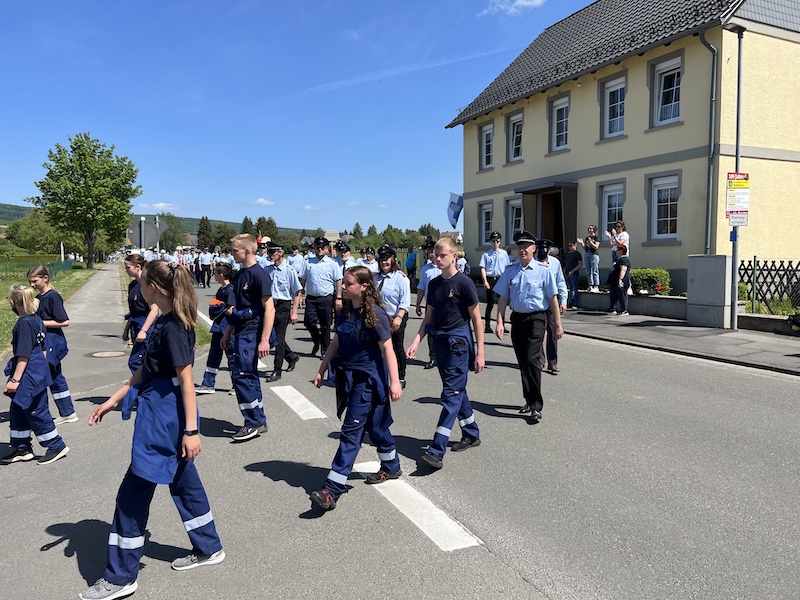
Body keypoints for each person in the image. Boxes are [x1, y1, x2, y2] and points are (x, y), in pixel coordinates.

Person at [81, 260, 224, 600]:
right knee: (183, 481)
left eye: (142, 284)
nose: (139, 290)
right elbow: (145, 372)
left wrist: (191, 431)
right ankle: (209, 547)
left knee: (132, 494)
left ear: (154, 288)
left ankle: (120, 578)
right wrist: (113, 400)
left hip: (164, 418)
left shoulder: (173, 328)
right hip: (164, 412)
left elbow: (186, 382)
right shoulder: (165, 321)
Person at [310, 266, 403, 511]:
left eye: (348, 283)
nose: (343, 286)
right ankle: (391, 465)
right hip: (348, 377)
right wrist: (322, 368)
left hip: (368, 380)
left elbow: (388, 349)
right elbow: (336, 342)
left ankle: (332, 490)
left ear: (363, 287)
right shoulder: (345, 311)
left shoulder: (375, 314)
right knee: (375, 426)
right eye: (343, 282)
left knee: (351, 432)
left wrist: (394, 382)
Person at [407, 237, 485, 471]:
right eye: (436, 254)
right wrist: (417, 340)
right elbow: (428, 318)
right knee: (456, 389)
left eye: (443, 255)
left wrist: (480, 353)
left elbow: (477, 320)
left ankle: (436, 450)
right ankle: (471, 433)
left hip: (458, 342)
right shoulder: (434, 284)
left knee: (450, 394)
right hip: (439, 340)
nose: (438, 258)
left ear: (454, 256)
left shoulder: (464, 283)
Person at [494, 230, 563, 422]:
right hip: (517, 319)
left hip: (537, 319)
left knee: (532, 360)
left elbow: (553, 299)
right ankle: (528, 399)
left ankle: (536, 405)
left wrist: (557, 324)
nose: (522, 250)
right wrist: (499, 321)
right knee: (523, 361)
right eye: (519, 247)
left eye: (526, 246)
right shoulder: (510, 271)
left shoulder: (543, 270)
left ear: (534, 248)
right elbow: (503, 298)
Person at [1, 284, 68, 465]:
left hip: (29, 374)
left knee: (35, 410)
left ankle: (55, 445)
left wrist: (15, 380)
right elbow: (43, 348)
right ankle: (21, 446)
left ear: (13, 303)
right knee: (18, 407)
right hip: (38, 370)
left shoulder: (23, 324)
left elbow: (24, 355)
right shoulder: (36, 320)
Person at [221, 234, 275, 442]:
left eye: (235, 250)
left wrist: (265, 339)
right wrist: (227, 332)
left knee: (242, 376)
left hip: (252, 333)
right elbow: (236, 308)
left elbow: (269, 308)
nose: (232, 254)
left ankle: (252, 422)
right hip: (239, 331)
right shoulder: (240, 274)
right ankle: (258, 419)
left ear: (247, 251)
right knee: (246, 376)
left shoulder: (259, 274)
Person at [27, 265, 77, 425]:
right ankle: (67, 412)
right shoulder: (39, 298)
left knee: (51, 377)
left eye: (35, 281)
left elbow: (64, 321)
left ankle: (65, 412)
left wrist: (40, 323)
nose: (32, 285)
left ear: (45, 278)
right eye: (30, 282)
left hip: (53, 342)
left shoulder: (52, 297)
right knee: (54, 377)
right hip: (45, 342)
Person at [298, 236, 342, 358]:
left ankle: (325, 349)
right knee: (308, 322)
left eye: (322, 247)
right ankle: (317, 339)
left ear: (326, 249)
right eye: (318, 247)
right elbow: (303, 279)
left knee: (325, 324)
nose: (320, 249)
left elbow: (338, 280)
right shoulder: (308, 262)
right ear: (314, 248)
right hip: (311, 298)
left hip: (326, 298)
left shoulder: (332, 263)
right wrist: (300, 294)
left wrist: (338, 298)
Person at [195, 263, 236, 394]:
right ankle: (208, 384)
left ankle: (237, 385)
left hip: (226, 327)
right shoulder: (221, 289)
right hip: (218, 327)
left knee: (232, 356)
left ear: (222, 275)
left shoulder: (230, 290)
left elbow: (231, 310)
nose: (214, 276)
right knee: (214, 355)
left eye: (216, 273)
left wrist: (219, 306)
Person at [264, 242, 302, 382]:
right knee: (270, 336)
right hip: (269, 306)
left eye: (272, 252)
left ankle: (277, 370)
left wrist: (294, 312)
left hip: (283, 306)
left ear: (280, 253)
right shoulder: (267, 270)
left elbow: (297, 292)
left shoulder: (289, 270)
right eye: (268, 252)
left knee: (279, 339)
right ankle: (291, 356)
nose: (270, 255)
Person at [374, 245, 411, 388]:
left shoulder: (401, 278)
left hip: (396, 316)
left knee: (396, 347)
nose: (384, 262)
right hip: (380, 317)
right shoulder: (376, 278)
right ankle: (383, 373)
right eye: (381, 260)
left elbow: (405, 301)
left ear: (393, 260)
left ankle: (400, 377)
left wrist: (398, 318)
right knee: (380, 347)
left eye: (387, 259)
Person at [122, 254, 159, 375]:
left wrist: (144, 330)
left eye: (128, 267)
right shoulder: (133, 285)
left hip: (146, 325)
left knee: (136, 361)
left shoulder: (147, 284)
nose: (126, 270)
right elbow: (133, 312)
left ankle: (144, 384)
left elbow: (154, 310)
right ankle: (142, 384)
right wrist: (126, 329)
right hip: (135, 325)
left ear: (137, 267)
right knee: (139, 361)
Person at [537, 242, 568, 374]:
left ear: (549, 251)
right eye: (540, 251)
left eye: (545, 251)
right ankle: (540, 360)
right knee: (538, 333)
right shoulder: (532, 262)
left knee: (553, 331)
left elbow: (560, 282)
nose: (542, 253)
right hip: (538, 303)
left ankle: (552, 362)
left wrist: (563, 301)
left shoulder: (555, 263)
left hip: (552, 303)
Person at [414, 241, 441, 370]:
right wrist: (418, 304)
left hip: (444, 305)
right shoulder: (425, 269)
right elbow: (421, 287)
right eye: (429, 252)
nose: (431, 254)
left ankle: (444, 356)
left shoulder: (444, 267)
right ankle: (433, 357)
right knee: (430, 331)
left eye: (433, 252)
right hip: (430, 305)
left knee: (443, 331)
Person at [479, 231, 511, 334]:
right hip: (490, 279)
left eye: (497, 241)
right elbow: (483, 268)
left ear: (500, 242)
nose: (495, 243)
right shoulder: (486, 254)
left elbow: (507, 267)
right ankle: (487, 326)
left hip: (501, 279)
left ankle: (502, 325)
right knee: (490, 303)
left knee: (502, 302)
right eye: (493, 241)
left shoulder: (504, 253)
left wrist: (507, 280)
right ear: (490, 242)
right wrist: (485, 281)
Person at [607, 243, 631, 316]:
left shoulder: (624, 260)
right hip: (614, 281)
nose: (616, 251)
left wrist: (620, 279)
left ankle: (624, 310)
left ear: (622, 251)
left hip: (620, 281)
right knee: (613, 295)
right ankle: (612, 309)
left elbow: (623, 270)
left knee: (622, 295)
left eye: (618, 250)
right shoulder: (617, 260)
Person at [577, 225, 601, 292]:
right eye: (589, 228)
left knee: (595, 270)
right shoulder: (587, 238)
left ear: (594, 230)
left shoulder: (596, 237)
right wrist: (582, 243)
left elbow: (596, 247)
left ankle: (596, 286)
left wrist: (591, 242)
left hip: (594, 254)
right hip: (587, 254)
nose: (589, 229)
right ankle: (590, 285)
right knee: (588, 270)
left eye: (591, 228)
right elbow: (585, 248)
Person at [564, 242, 583, 309]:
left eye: (571, 245)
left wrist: (573, 271)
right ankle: (570, 303)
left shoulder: (577, 254)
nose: (569, 247)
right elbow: (566, 264)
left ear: (575, 246)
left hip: (574, 274)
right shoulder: (568, 254)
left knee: (574, 289)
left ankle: (575, 304)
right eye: (569, 246)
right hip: (567, 273)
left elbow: (580, 264)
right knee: (570, 289)